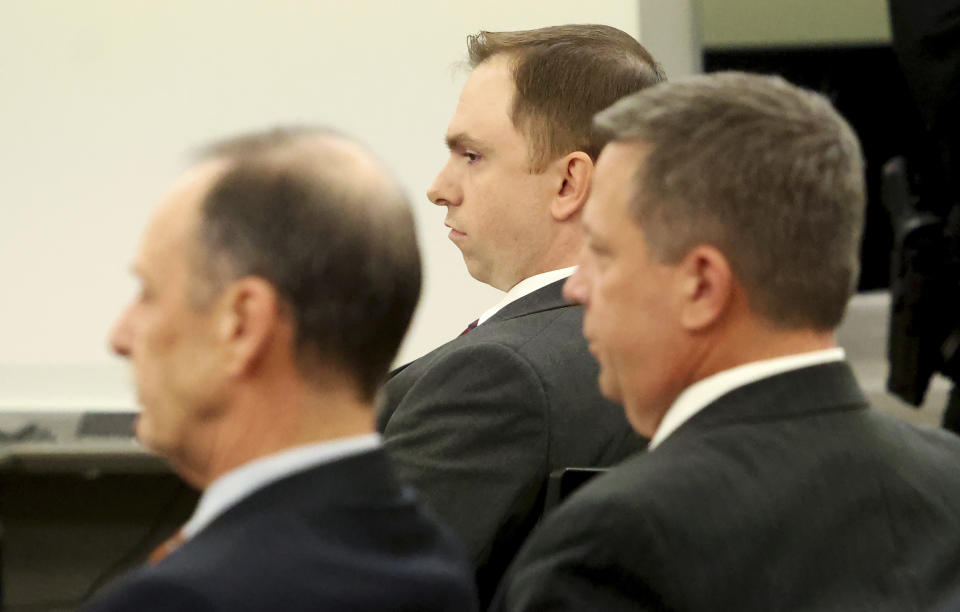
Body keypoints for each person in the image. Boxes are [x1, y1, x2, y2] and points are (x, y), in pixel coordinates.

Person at [493, 72, 960, 611]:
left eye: (600, 251)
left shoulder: (616, 544)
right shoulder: (950, 480)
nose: (576, 288)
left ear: (702, 285)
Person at [83, 128, 478, 612]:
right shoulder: (437, 564)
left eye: (148, 293)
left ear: (243, 324)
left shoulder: (181, 599)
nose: (120, 338)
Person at [376, 24, 661, 602]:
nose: (438, 188)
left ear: (568, 182)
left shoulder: (495, 377)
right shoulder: (676, 353)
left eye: (472, 155)